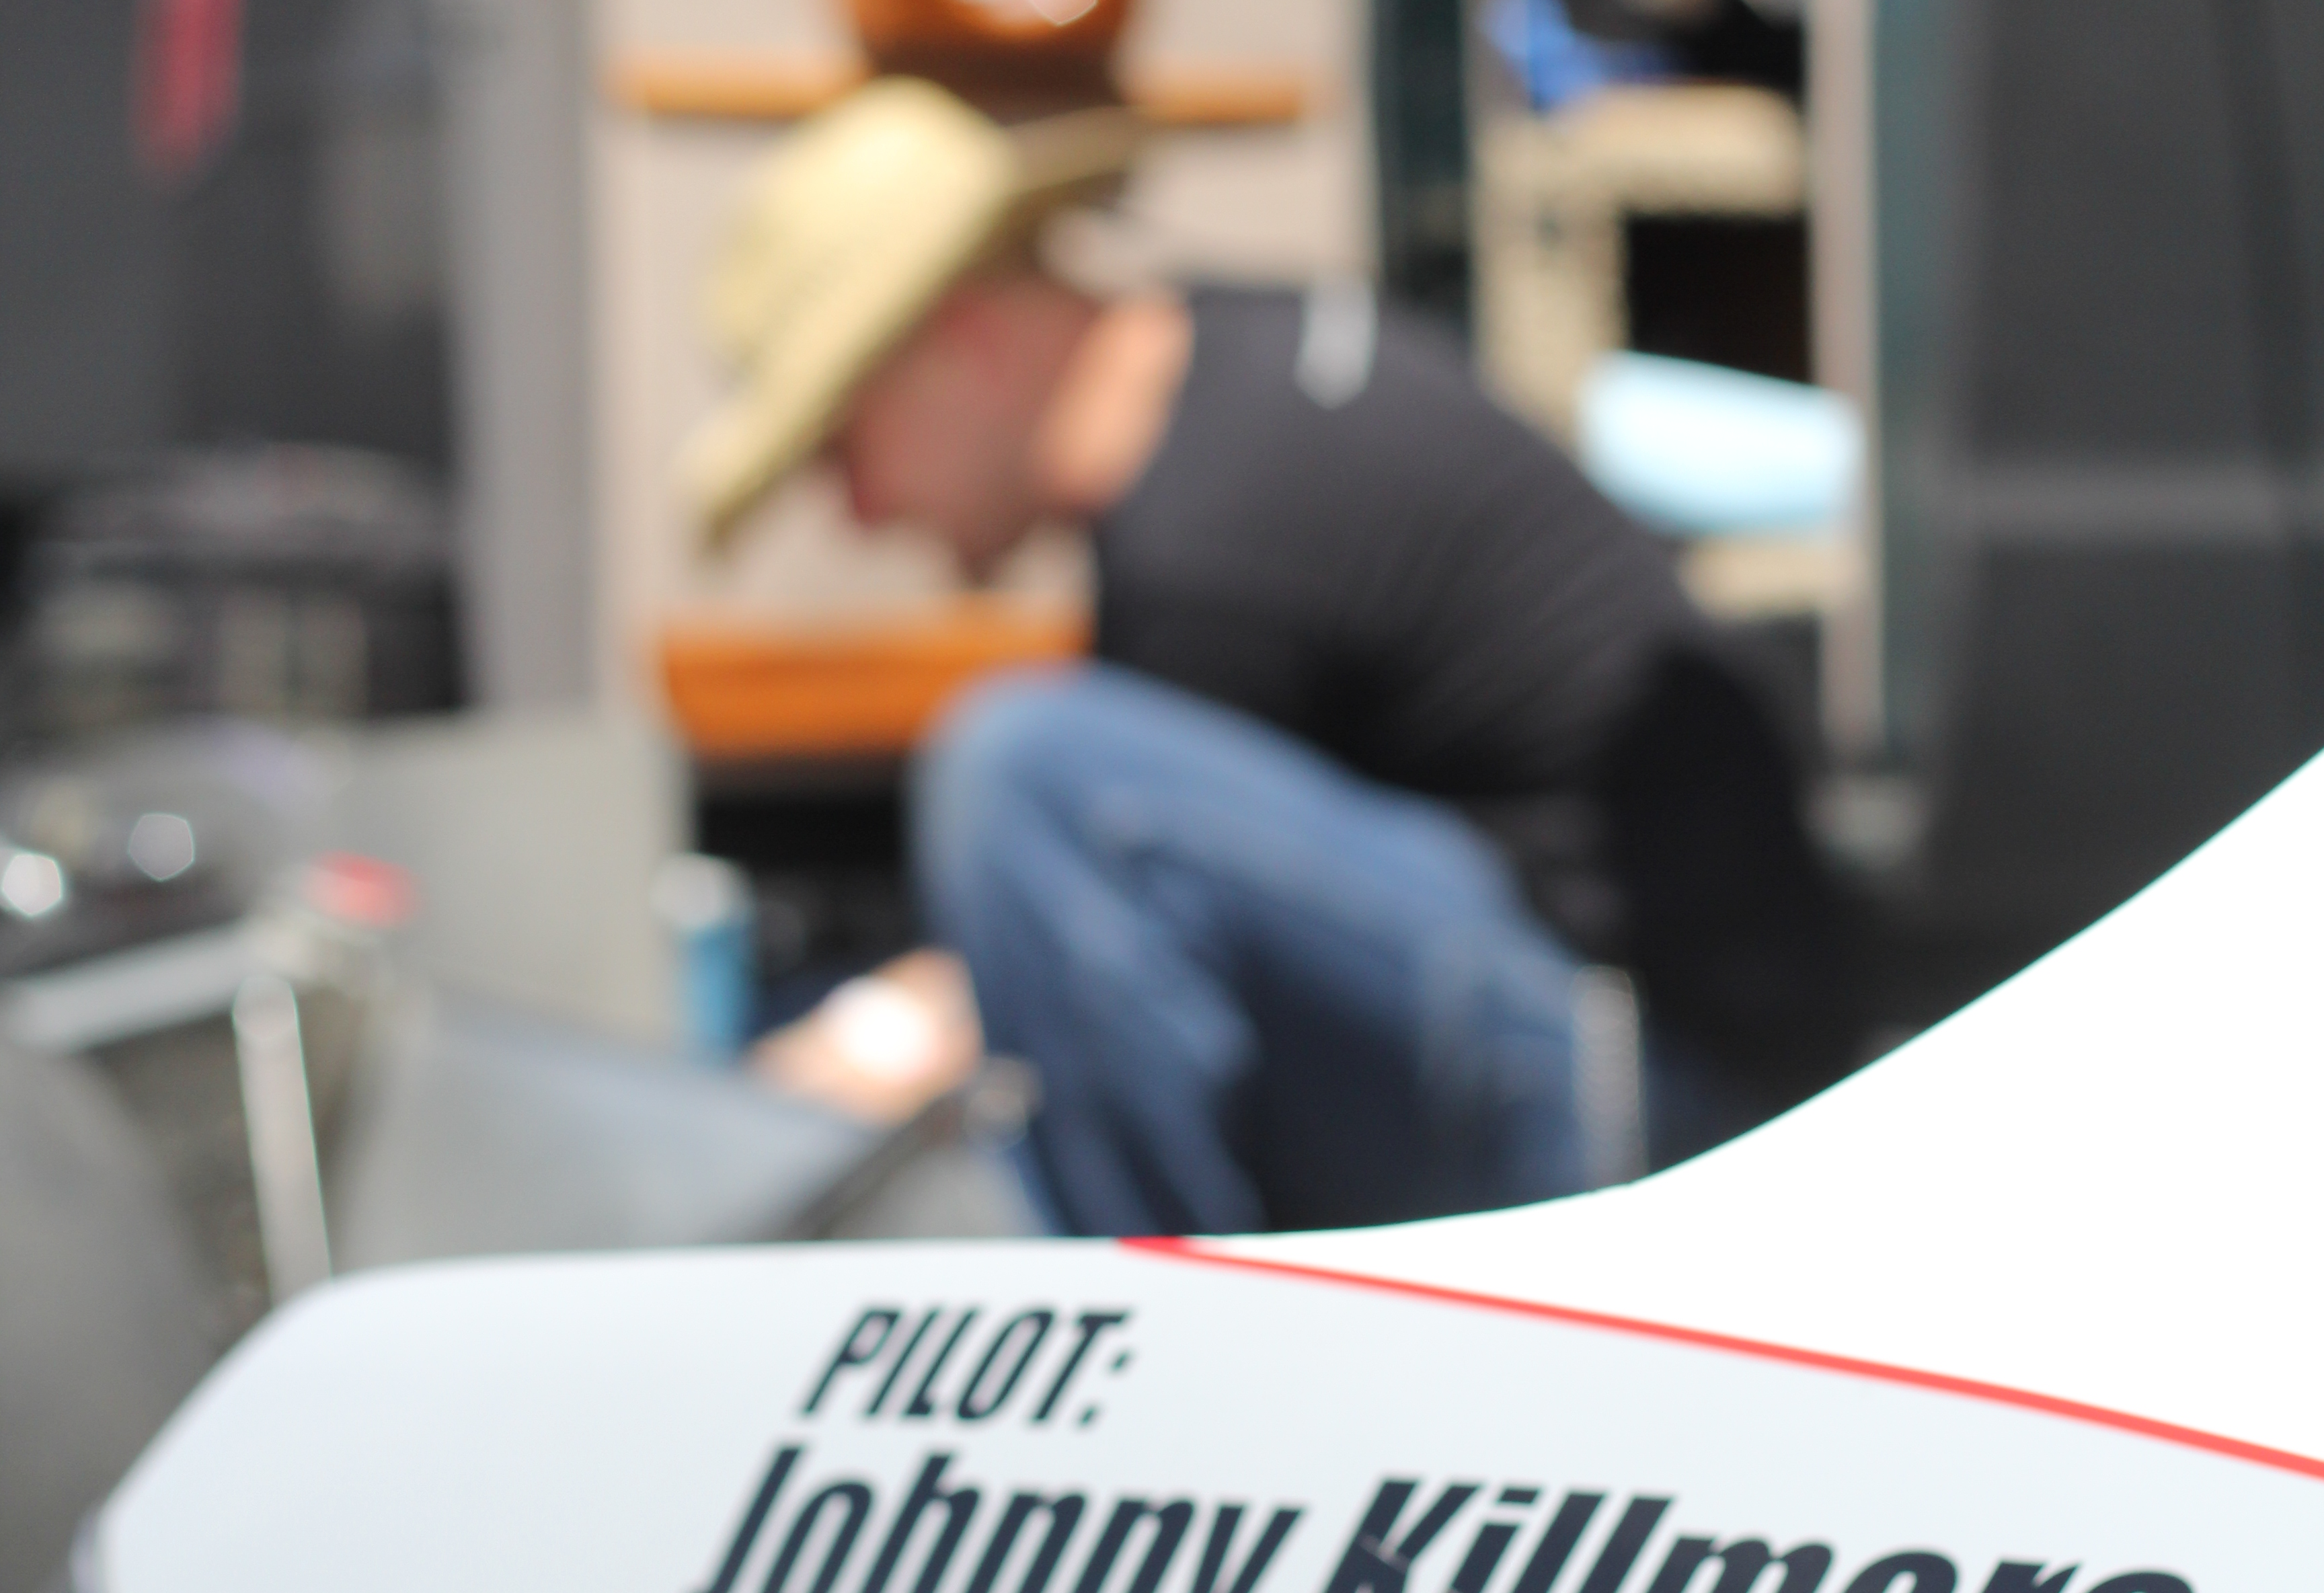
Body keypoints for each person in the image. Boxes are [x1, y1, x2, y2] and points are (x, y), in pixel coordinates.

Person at [685, 80, 1847, 1239]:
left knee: (1023, 773)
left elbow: (1084, 919)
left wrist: (863, 1048)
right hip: (1643, 1029)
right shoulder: (1234, 367)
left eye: (842, 445)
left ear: (964, 344)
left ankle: (1151, 1321)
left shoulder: (1214, 550)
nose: (858, 511)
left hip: (1640, 1090)